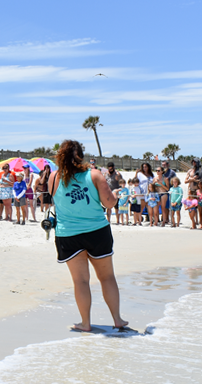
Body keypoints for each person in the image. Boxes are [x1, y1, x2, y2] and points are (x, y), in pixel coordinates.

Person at [48, 140, 126, 333]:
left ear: (60, 157)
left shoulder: (54, 177)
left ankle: (85, 323)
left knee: (80, 281)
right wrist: (115, 195)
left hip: (68, 234)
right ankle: (117, 320)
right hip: (97, 231)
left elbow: (54, 200)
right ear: (81, 156)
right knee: (107, 277)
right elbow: (109, 204)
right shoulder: (94, 175)